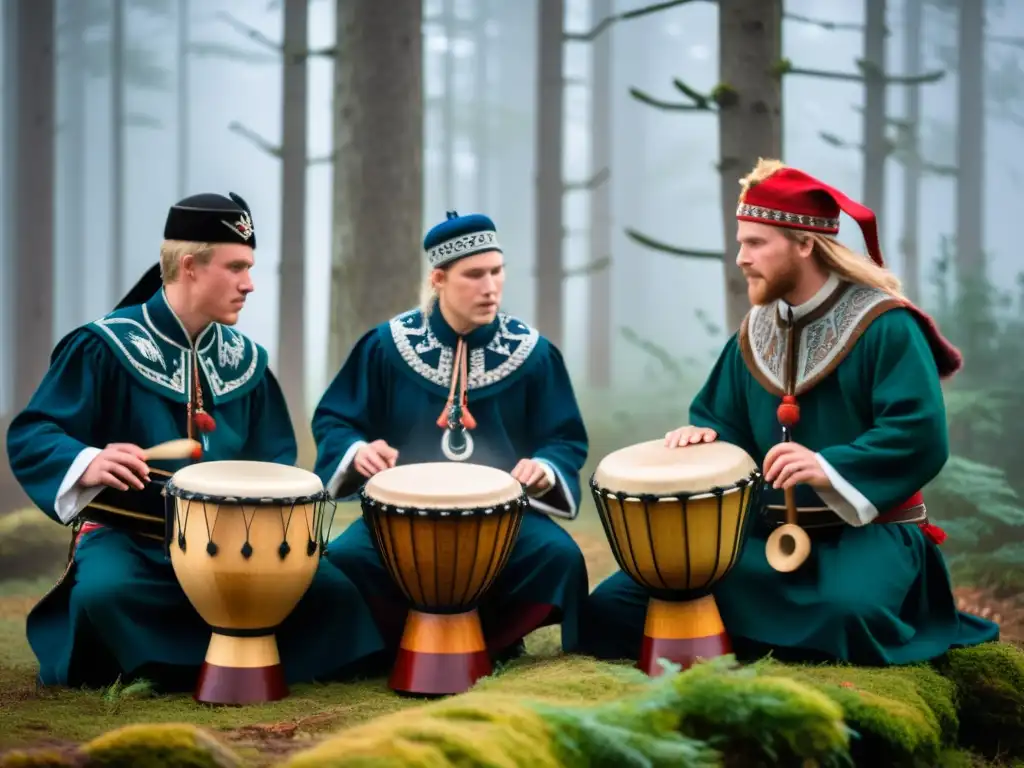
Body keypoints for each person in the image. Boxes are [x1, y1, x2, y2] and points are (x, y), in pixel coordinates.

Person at [580, 159, 1000, 667]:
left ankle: (733, 640)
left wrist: (828, 467)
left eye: (756, 243)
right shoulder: (753, 334)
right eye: (740, 242)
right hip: (755, 539)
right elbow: (723, 421)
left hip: (865, 538)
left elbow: (919, 435)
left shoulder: (887, 327)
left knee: (846, 613)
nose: (741, 258)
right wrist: (704, 439)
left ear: (804, 243)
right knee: (612, 606)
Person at [6, 192, 383, 690]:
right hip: (131, 540)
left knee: (333, 593)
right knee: (105, 596)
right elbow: (34, 432)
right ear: (189, 266)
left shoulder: (246, 361)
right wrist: (87, 459)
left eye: (249, 268)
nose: (249, 284)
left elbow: (275, 459)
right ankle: (189, 667)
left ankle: (212, 664)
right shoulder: (103, 347)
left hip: (238, 544)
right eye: (236, 267)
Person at [311, 210, 590, 667]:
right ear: (439, 278)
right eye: (474, 275)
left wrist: (545, 469)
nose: (490, 287)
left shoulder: (534, 355)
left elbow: (562, 438)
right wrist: (358, 451)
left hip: (503, 522)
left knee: (561, 559)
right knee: (337, 566)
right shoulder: (386, 346)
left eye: (497, 272)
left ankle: (494, 639)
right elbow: (336, 420)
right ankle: (383, 646)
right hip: (396, 521)